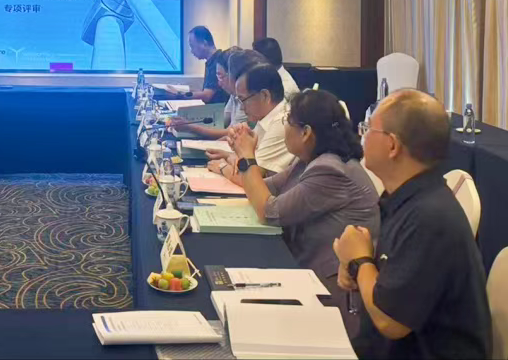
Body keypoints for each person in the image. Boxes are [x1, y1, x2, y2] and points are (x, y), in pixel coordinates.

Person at [334, 89, 491, 359]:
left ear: (392, 146)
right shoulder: (407, 200)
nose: (362, 136)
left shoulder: (430, 217)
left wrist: (359, 261)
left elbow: (390, 321)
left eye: (368, 129)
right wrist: (357, 267)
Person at [230, 89, 379, 326]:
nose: (284, 127)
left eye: (288, 121)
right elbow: (264, 187)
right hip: (308, 271)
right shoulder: (309, 160)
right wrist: (242, 155)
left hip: (334, 290)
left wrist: (247, 156)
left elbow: (269, 211)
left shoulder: (329, 169)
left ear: (306, 132)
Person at [209, 63, 296, 180]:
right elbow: (250, 159)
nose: (241, 107)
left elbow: (253, 178)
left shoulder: (282, 121)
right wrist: (230, 154)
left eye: (243, 99)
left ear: (264, 96)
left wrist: (222, 167)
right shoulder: (266, 116)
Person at [171, 46, 243, 139]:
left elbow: (229, 133)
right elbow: (221, 120)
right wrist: (187, 122)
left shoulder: (244, 100)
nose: (219, 83)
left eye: (221, 77)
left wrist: (190, 127)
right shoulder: (234, 95)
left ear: (233, 75)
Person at [175, 26, 228, 104]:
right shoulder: (212, 61)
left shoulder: (218, 62)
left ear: (204, 43)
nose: (191, 51)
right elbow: (207, 91)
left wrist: (178, 95)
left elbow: (207, 96)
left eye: (192, 46)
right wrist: (181, 91)